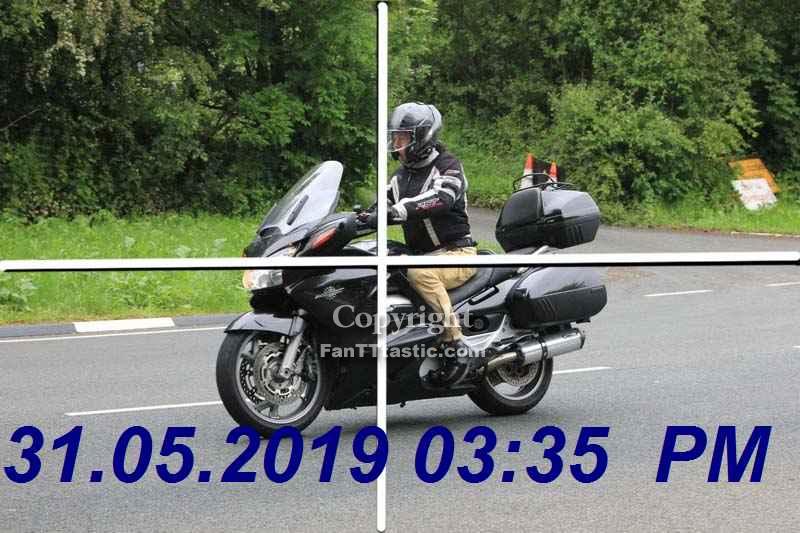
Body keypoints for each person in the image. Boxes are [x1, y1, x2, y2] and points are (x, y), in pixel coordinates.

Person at [382, 101, 484, 386]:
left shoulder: (448, 166)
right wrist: (355, 219)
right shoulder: (400, 176)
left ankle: (455, 343)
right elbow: (381, 205)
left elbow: (443, 197)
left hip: (457, 253)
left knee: (419, 272)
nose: (397, 144)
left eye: (402, 138)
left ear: (422, 138)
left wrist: (400, 210)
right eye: (395, 137)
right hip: (423, 254)